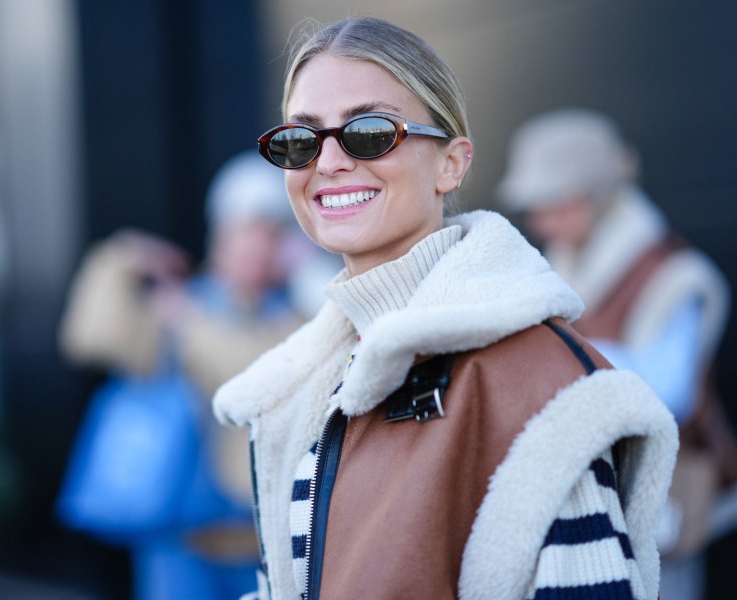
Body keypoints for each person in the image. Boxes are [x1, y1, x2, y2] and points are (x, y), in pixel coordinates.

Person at [213, 17, 678, 600]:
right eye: (301, 140)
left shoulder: (539, 387)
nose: (327, 162)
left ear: (452, 163)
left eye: (370, 130)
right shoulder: (299, 387)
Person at [497, 108, 736, 600]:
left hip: (664, 489)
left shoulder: (675, 276)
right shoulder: (555, 268)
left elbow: (670, 392)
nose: (542, 220)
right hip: (586, 489)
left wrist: (552, 361)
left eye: (556, 203)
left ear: (598, 196)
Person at [58, 150, 310, 600]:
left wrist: (189, 324)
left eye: (271, 234)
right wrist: (121, 257)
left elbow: (251, 373)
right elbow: (87, 337)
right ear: (220, 235)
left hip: (263, 542)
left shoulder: (293, 319)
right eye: (246, 230)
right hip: (178, 541)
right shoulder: (181, 307)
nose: (257, 246)